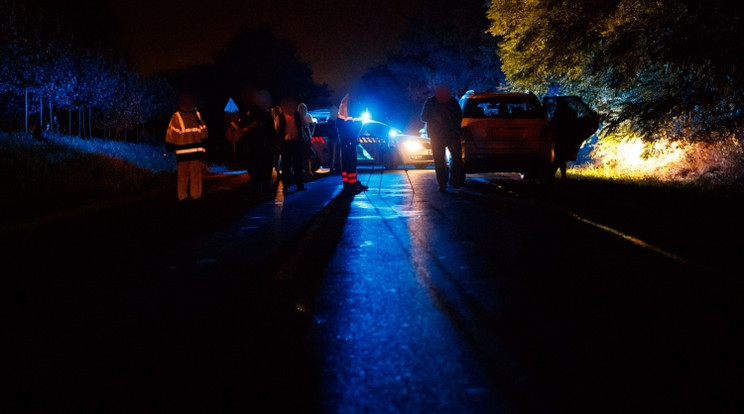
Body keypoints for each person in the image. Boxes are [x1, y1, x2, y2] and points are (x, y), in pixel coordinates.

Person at [165, 91, 209, 202]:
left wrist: (169, 145)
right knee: (196, 174)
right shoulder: (197, 115)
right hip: (196, 152)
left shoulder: (177, 116)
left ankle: (183, 196)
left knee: (182, 175)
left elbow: (171, 132)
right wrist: (205, 146)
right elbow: (204, 132)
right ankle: (196, 195)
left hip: (182, 152)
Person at [421, 84, 464, 192]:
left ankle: (453, 180)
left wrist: (451, 122)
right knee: (439, 160)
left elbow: (459, 116)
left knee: (456, 157)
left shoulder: (453, 102)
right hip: (437, 135)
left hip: (451, 134)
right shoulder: (431, 102)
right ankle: (442, 183)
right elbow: (423, 116)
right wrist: (435, 118)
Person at [337, 94, 368, 193]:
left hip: (346, 141)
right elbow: (353, 123)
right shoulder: (348, 104)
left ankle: (348, 183)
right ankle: (352, 184)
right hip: (348, 141)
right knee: (351, 163)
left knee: (347, 163)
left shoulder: (345, 101)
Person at [274, 96, 305, 193]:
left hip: (296, 142)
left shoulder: (297, 116)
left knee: (297, 165)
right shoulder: (280, 117)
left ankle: (299, 184)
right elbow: (276, 129)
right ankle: (286, 185)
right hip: (286, 143)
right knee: (286, 165)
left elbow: (302, 127)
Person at [551, 99, 578, 179]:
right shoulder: (570, 112)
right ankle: (560, 176)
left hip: (560, 138)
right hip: (565, 138)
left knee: (559, 158)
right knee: (560, 158)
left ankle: (554, 175)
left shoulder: (560, 113)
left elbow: (554, 123)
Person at [297, 102, 315, 176]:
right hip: (300, 139)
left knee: (308, 155)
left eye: (304, 109)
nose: (303, 110)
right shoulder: (297, 117)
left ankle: (309, 169)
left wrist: (310, 136)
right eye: (301, 109)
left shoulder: (308, 117)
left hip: (307, 138)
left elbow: (312, 128)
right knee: (301, 155)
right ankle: (301, 169)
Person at [326, 105, 341, 173]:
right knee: (334, 154)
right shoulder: (332, 121)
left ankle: (336, 167)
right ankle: (333, 167)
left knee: (336, 154)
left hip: (335, 138)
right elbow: (331, 131)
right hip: (333, 139)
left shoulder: (332, 120)